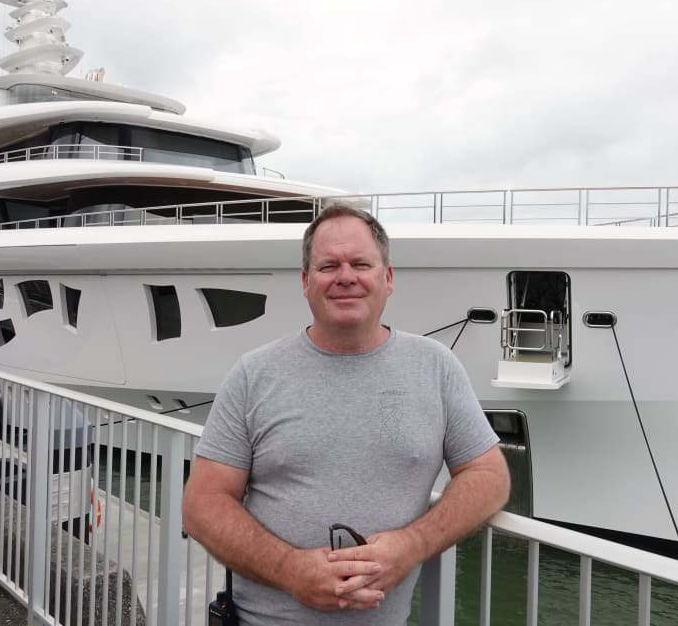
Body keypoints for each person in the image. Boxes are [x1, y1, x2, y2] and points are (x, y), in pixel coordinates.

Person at [182, 204, 510, 625]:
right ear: (305, 282)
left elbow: (490, 477)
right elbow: (203, 503)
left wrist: (411, 546)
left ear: (387, 278)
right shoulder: (254, 374)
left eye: (361, 263)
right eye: (328, 265)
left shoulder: (436, 367)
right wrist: (290, 571)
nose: (346, 277)